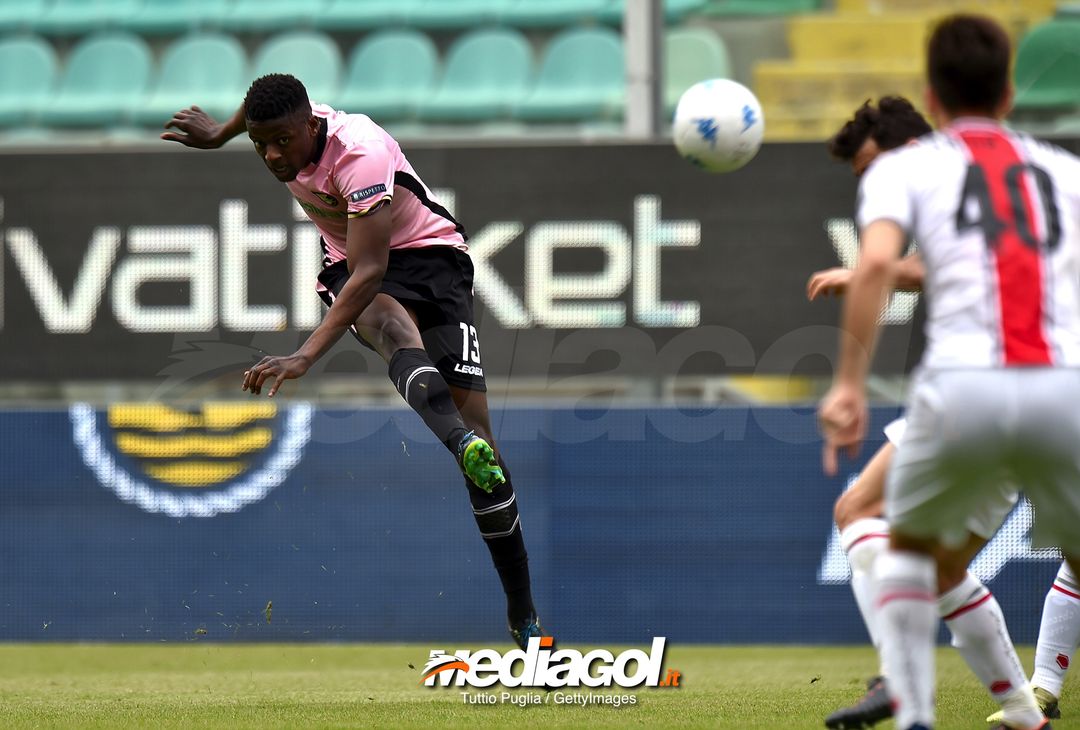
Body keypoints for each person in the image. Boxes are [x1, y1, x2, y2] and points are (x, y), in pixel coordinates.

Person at [162, 73, 543, 648]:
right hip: (349, 259)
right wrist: (220, 134)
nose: (271, 155)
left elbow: (373, 270)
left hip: (431, 259)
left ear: (310, 125)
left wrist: (305, 355)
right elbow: (256, 107)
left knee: (487, 450)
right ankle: (460, 444)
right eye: (259, 144)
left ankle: (523, 613)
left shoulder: (358, 153)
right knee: (391, 329)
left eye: (282, 142)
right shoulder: (277, 121)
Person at [819, 14, 1080, 730]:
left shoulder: (910, 170)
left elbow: (879, 263)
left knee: (892, 544)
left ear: (933, 98)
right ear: (1007, 93)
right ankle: (1026, 712)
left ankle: (913, 709)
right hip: (1064, 388)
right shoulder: (1063, 172)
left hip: (967, 389)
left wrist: (847, 383)